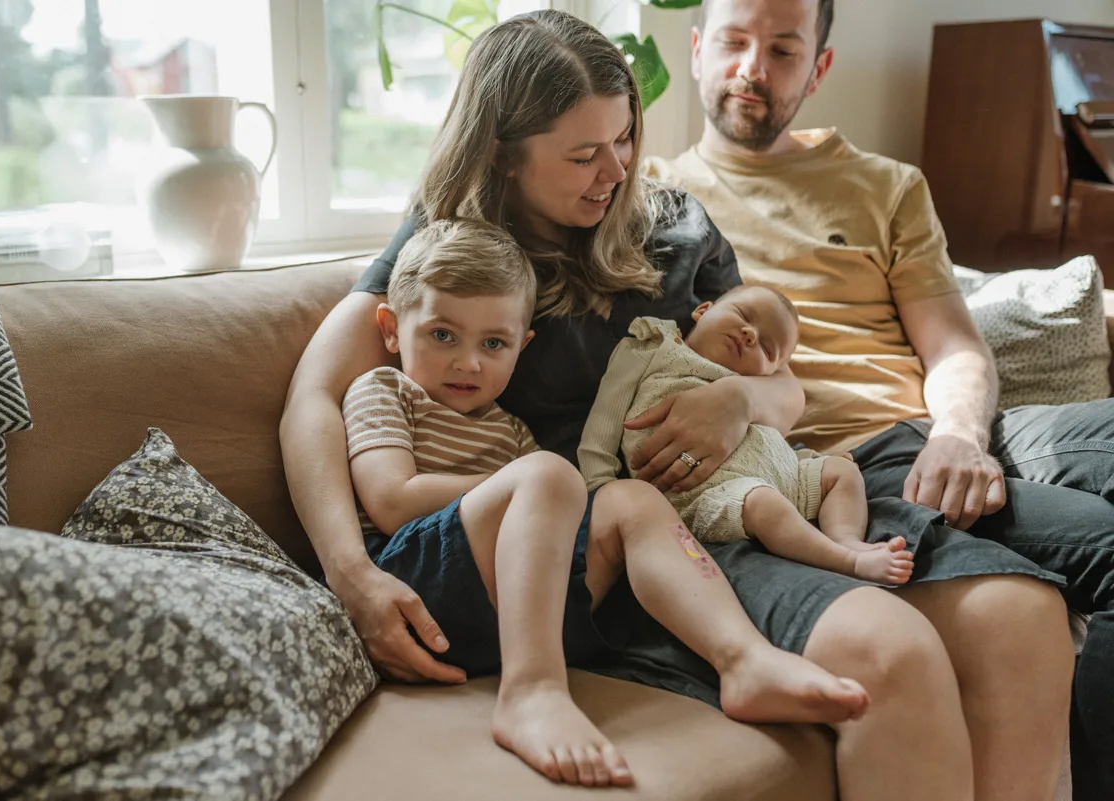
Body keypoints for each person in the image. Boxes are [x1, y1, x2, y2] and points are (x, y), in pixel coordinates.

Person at [279, 9, 1071, 801]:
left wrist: (737, 398)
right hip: (631, 548)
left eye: (624, 140)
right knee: (891, 653)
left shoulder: (676, 222)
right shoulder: (455, 247)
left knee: (1020, 616)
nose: (615, 171)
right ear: (502, 154)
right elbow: (315, 395)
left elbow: (784, 387)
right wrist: (349, 573)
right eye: (584, 154)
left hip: (756, 482)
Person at [644, 0, 1110, 798]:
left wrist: (960, 434)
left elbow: (955, 346)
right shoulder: (657, 203)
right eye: (733, 42)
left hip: (946, 431)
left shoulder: (887, 185)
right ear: (695, 51)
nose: (753, 67)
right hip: (847, 462)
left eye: (783, 49)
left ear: (819, 68)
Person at [343, 217, 870, 786]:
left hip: (520, 606)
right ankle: (532, 692)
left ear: (523, 346)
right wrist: (536, 482)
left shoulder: (510, 428)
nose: (468, 362)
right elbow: (393, 501)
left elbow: (545, 510)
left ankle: (743, 660)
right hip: (415, 591)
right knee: (552, 475)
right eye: (443, 335)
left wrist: (543, 486)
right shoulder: (384, 389)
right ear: (393, 329)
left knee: (631, 498)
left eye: (492, 343)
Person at [579, 285, 914, 585]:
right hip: (705, 494)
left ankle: (846, 539)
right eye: (742, 315)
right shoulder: (653, 347)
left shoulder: (753, 387)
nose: (750, 335)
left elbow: (765, 438)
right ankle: (848, 562)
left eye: (768, 350)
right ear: (703, 310)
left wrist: (805, 462)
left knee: (842, 472)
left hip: (781, 476)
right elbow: (604, 420)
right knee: (762, 501)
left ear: (772, 372)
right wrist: (600, 487)